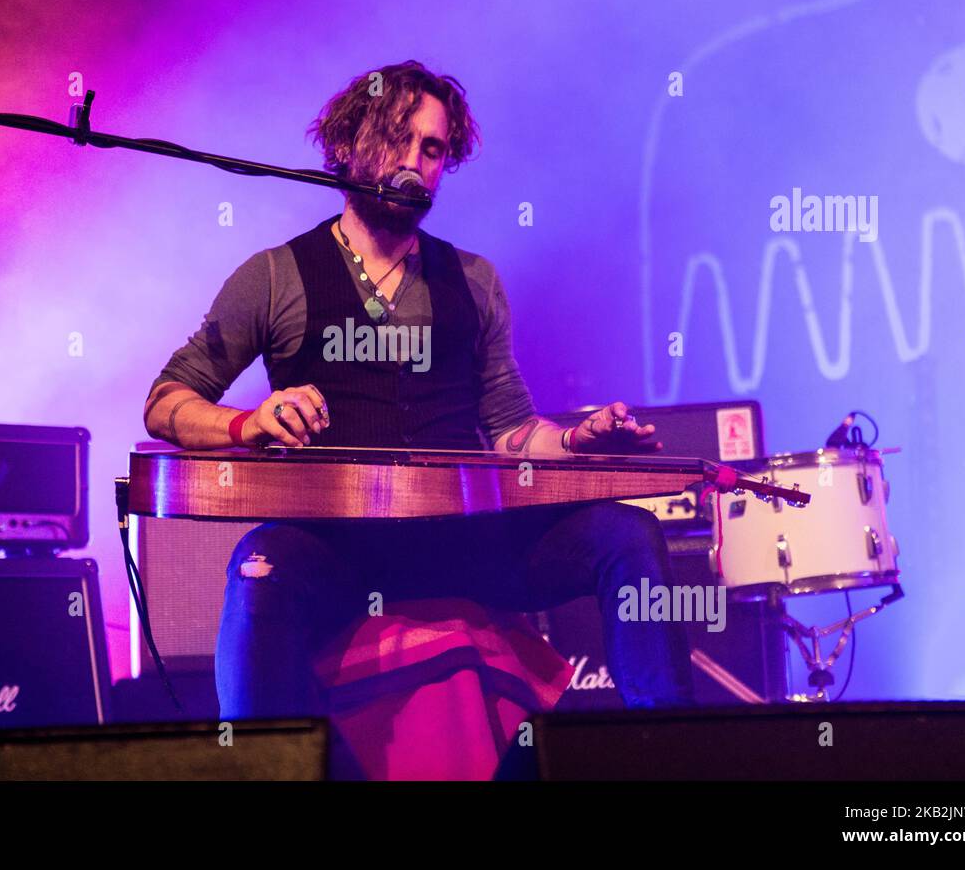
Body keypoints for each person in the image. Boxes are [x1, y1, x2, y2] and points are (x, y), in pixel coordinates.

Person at [144, 60, 694, 718]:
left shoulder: (475, 279)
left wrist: (578, 439)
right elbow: (166, 402)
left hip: (466, 542)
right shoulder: (273, 277)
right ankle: (267, 767)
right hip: (338, 548)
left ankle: (667, 751)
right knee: (259, 569)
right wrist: (250, 421)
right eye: (396, 138)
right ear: (346, 145)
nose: (415, 161)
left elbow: (514, 430)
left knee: (628, 537)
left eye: (431, 149)